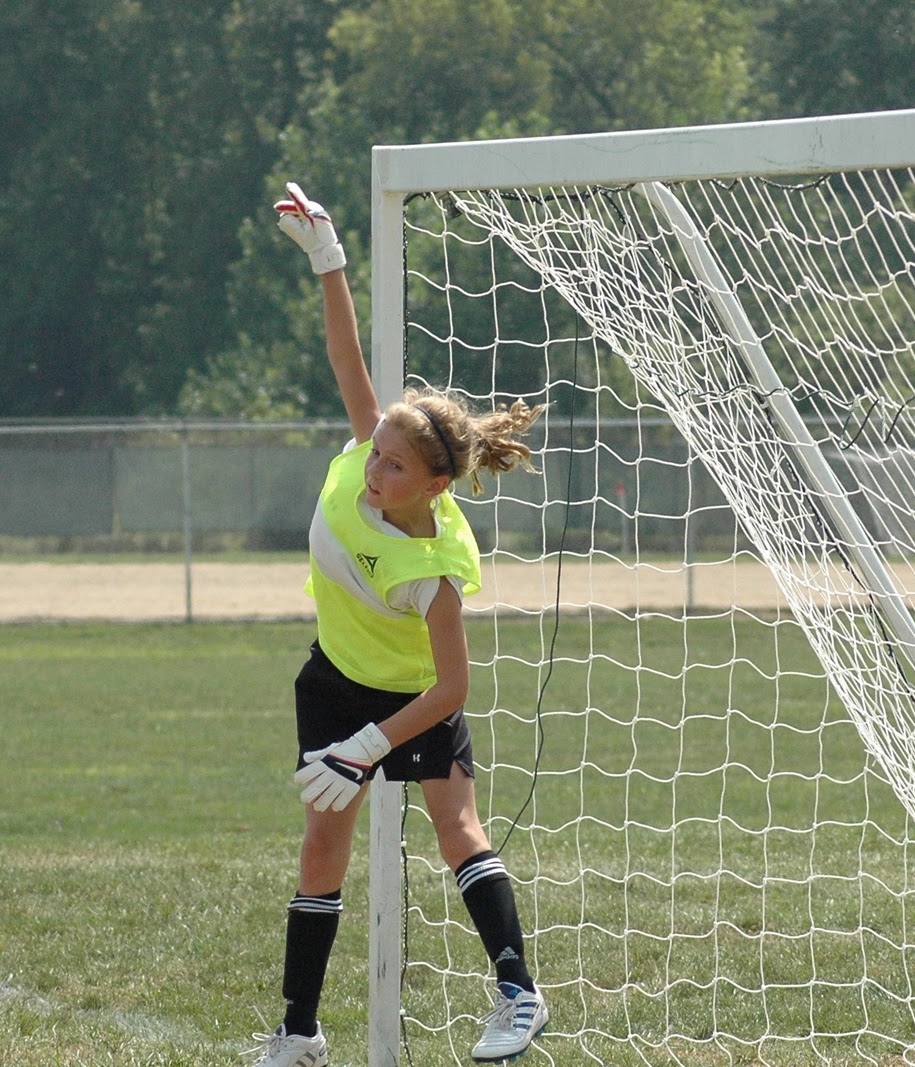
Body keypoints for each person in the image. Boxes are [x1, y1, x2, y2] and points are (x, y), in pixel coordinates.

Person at [246, 182, 547, 1067]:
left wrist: (368, 746)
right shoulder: (363, 456)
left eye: (393, 465)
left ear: (435, 485)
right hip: (335, 678)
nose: (373, 469)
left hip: (411, 700)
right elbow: (346, 357)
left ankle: (519, 993)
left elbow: (453, 687)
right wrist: (328, 257)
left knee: (458, 828)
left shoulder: (435, 571)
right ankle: (300, 1032)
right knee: (321, 846)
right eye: (374, 451)